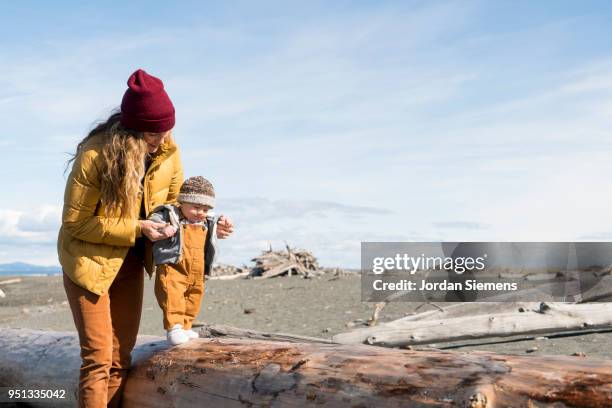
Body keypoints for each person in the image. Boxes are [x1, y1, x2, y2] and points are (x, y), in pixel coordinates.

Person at [58, 69, 234, 407]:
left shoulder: (168, 150)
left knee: (121, 356)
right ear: (133, 130)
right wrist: (138, 227)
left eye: (168, 129)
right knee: (98, 358)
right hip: (87, 264)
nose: (164, 137)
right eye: (155, 132)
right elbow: (75, 224)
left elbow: (177, 207)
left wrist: (211, 223)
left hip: (131, 261)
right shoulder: (95, 155)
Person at [149, 176, 229, 345]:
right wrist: (163, 228)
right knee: (172, 295)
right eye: (196, 207)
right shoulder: (169, 215)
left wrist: (223, 222)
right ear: (182, 203)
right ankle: (174, 327)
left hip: (197, 267)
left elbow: (217, 223)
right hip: (174, 265)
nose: (201, 212)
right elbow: (153, 222)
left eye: (205, 209)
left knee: (194, 296)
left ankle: (186, 324)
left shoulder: (206, 222)